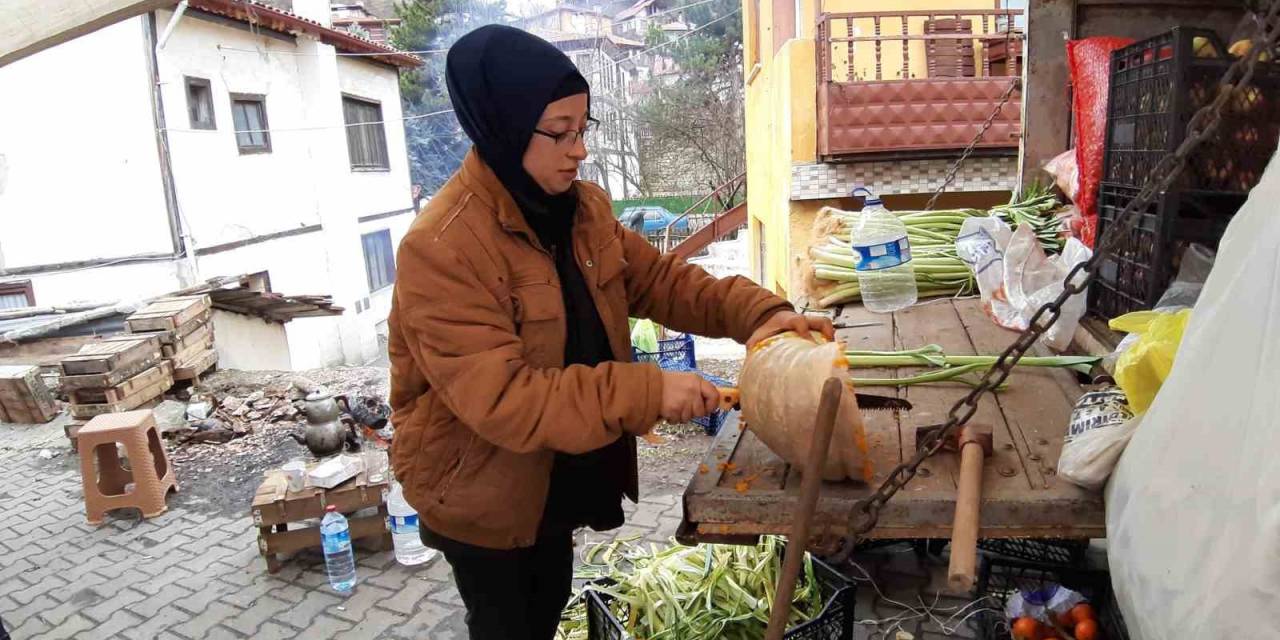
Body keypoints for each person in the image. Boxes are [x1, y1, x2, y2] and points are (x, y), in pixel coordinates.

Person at [387, 25, 833, 640]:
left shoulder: (583, 207)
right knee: (512, 619)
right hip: (483, 487)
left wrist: (757, 313)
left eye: (584, 128)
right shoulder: (440, 250)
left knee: (549, 595)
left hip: (555, 465)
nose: (579, 150)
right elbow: (504, 399)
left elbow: (662, 283)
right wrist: (647, 393)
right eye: (560, 132)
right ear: (504, 127)